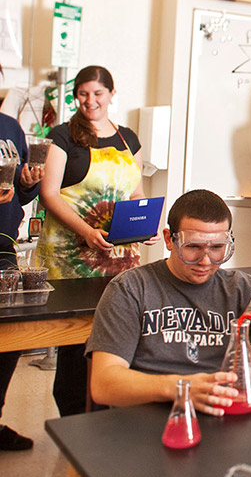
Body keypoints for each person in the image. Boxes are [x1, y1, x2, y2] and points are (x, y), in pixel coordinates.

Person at [86, 189, 251, 414]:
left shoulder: (240, 289)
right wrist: (180, 388)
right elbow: (104, 384)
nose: (205, 261)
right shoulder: (131, 289)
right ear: (169, 239)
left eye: (217, 248)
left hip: (221, 412)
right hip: (153, 417)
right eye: (193, 247)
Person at [35, 65, 158, 417]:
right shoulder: (62, 136)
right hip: (72, 255)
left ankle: (112, 409)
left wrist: (144, 224)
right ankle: (75, 417)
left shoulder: (127, 138)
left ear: (111, 95)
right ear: (76, 96)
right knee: (77, 340)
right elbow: (50, 194)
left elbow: (135, 190)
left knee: (119, 330)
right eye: (84, 94)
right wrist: (86, 232)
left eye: (98, 93)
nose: (91, 101)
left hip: (120, 255)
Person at [0, 103, 43, 450]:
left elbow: (21, 189)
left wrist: (28, 185)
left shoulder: (10, 127)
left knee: (8, 340)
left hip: (3, 244)